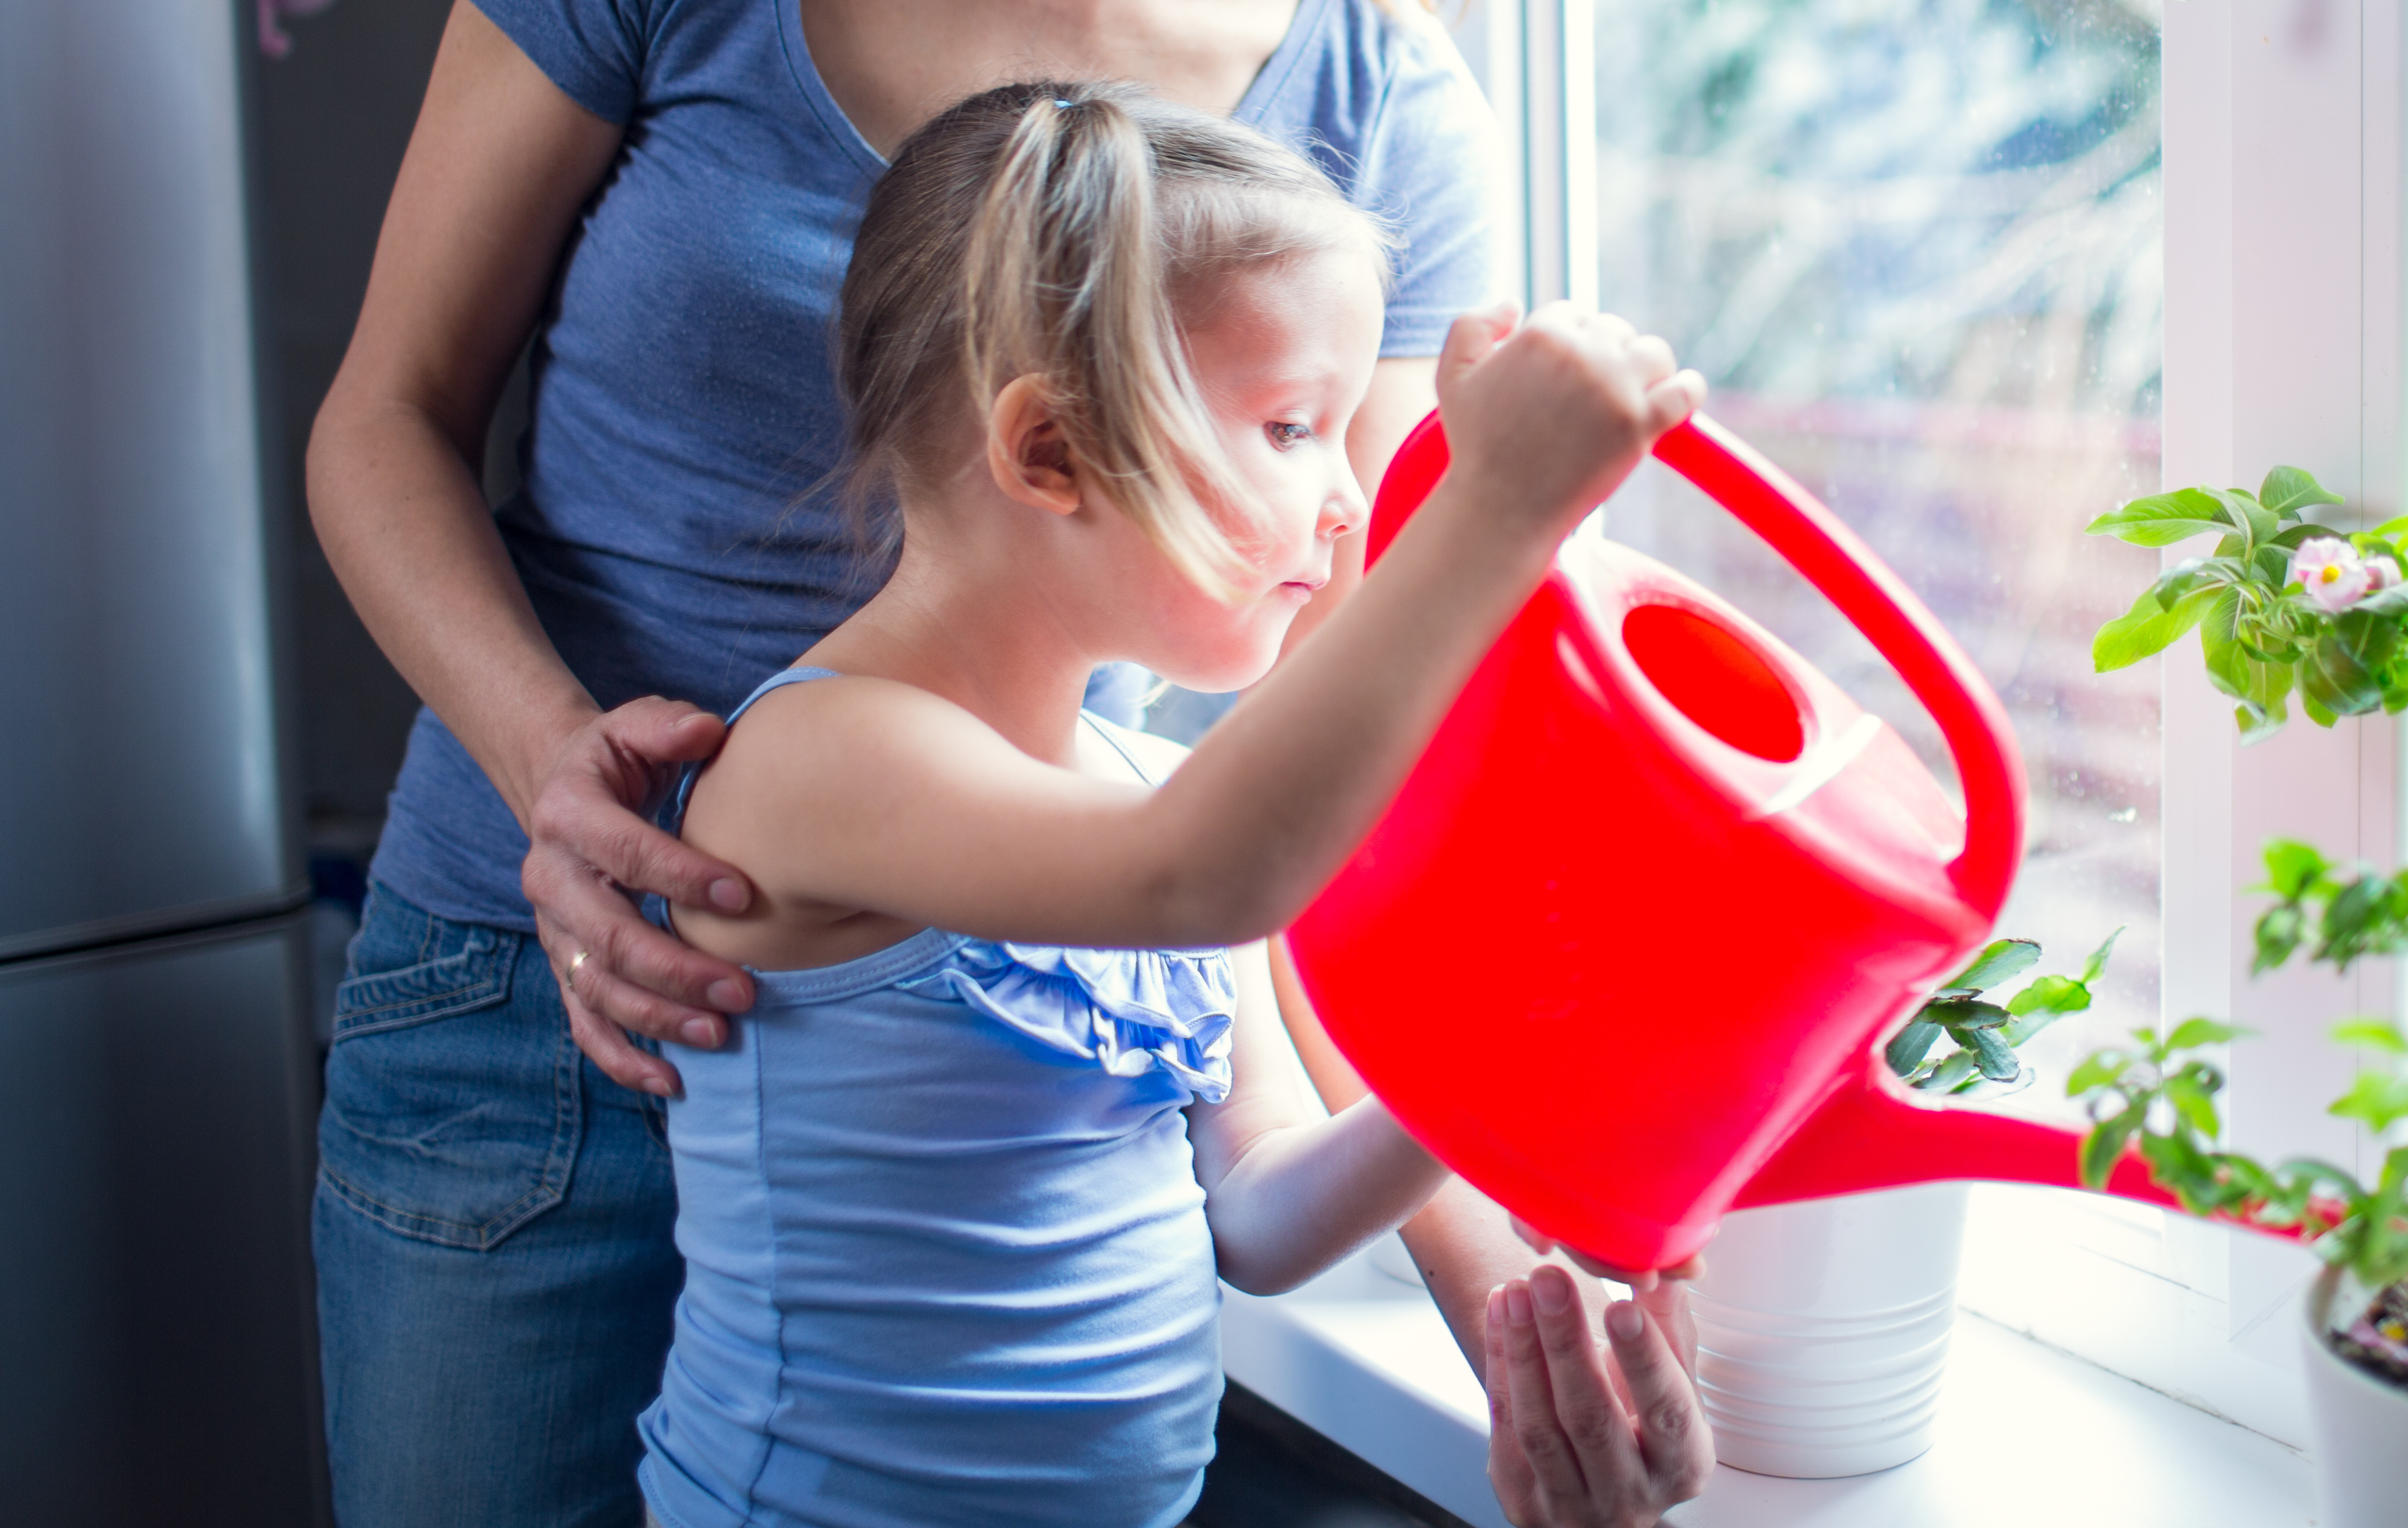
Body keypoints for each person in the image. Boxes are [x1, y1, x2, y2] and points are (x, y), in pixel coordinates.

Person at [302, 0, 1707, 1522]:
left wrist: (1495, 1270)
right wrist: (548, 777)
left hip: (1019, 1089)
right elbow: (386, 419)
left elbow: (1329, 738)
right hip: (533, 1025)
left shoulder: (1384, 122)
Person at [631, 80, 1697, 1528]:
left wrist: (1502, 1057)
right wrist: (1491, 512)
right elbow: (1205, 876)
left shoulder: (1151, 795)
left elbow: (1255, 1212)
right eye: (1289, 426)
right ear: (1049, 451)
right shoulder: (827, 761)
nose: (1342, 500)